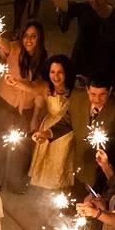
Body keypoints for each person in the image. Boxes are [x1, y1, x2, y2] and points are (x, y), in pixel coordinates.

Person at [40, 74, 115, 195]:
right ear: (87, 89)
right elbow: (68, 120)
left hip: (102, 174)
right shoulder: (78, 97)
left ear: (110, 91)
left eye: (102, 95)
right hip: (79, 164)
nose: (96, 99)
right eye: (93, 94)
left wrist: (110, 172)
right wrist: (48, 133)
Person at [0, 20, 47, 193]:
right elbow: (5, 46)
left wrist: (35, 117)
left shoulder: (43, 60)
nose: (28, 40)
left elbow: (40, 92)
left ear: (39, 39)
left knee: (20, 148)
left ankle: (15, 181)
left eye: (33, 36)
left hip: (26, 110)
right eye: (26, 35)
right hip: (4, 103)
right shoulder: (14, 48)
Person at [45, 0, 115, 87]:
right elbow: (68, 6)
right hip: (81, 66)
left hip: (104, 70)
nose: (94, 2)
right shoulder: (85, 8)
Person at [28, 54, 76, 190]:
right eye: (52, 72)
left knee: (60, 164)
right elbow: (31, 89)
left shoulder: (74, 91)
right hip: (48, 127)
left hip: (66, 134)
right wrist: (15, 83)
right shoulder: (47, 88)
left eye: (60, 72)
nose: (56, 76)